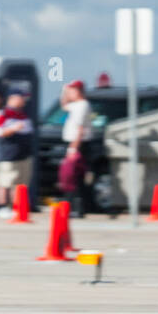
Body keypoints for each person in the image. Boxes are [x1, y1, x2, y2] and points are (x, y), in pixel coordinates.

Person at [0, 91, 34, 218]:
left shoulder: (23, 115)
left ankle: (16, 207)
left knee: (20, 184)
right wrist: (13, 128)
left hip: (23, 155)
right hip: (8, 155)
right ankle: (2, 207)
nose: (23, 101)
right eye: (20, 98)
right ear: (12, 98)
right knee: (5, 182)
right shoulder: (2, 114)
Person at [59, 79, 92, 218]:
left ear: (79, 91)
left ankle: (76, 208)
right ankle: (74, 207)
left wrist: (73, 148)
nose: (70, 93)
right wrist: (64, 91)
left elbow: (80, 129)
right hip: (74, 143)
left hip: (77, 144)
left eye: (72, 90)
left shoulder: (82, 106)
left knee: (74, 177)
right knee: (71, 177)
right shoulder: (76, 105)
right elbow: (64, 105)